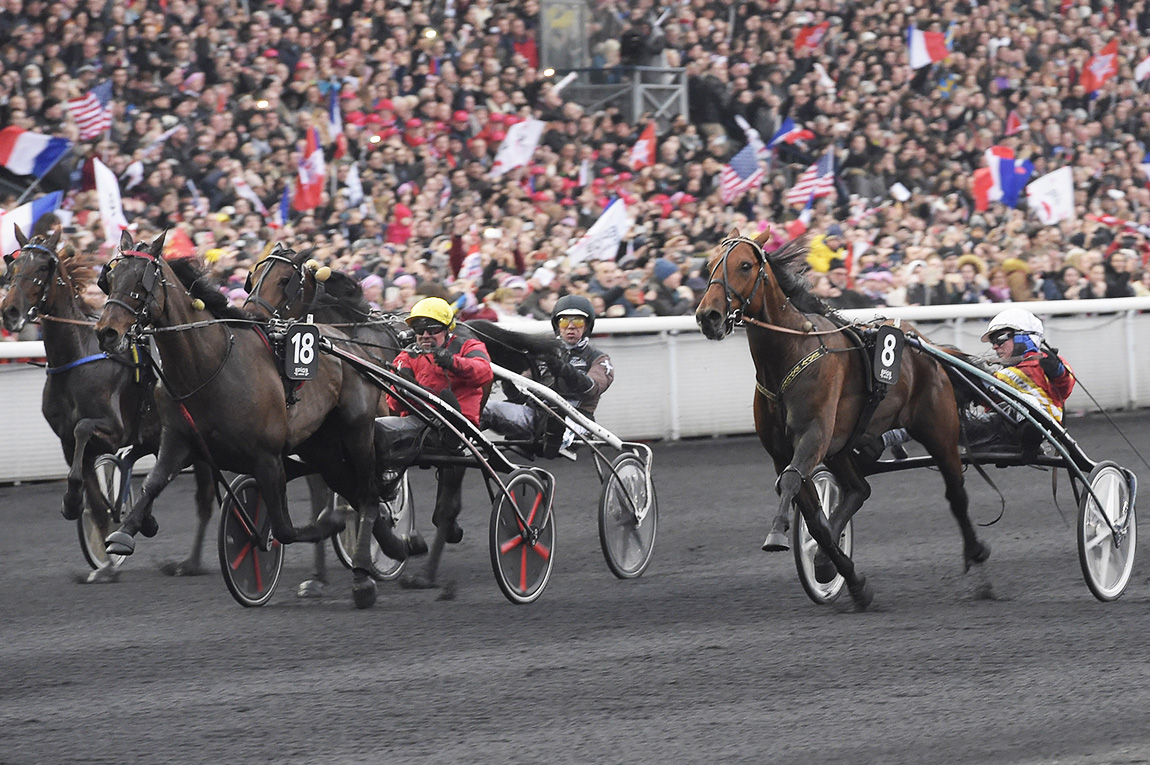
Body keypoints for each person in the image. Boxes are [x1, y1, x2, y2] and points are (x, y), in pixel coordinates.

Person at [375, 296, 493, 551]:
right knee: (377, 429)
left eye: (433, 329)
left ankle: (451, 431)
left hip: (459, 421)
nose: (425, 335)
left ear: (447, 329)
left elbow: (484, 372)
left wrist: (453, 363)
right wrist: (401, 386)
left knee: (446, 405)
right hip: (419, 422)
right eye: (419, 330)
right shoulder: (407, 355)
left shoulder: (467, 345)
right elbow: (392, 402)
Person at [483, 294, 614, 448]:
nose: (571, 326)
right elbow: (520, 389)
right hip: (535, 415)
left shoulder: (599, 358)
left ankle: (552, 435)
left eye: (577, 321)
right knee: (486, 408)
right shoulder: (543, 352)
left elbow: (592, 388)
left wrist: (562, 369)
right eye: (565, 321)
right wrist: (507, 377)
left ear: (587, 325)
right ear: (557, 324)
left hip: (576, 419)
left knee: (557, 424)